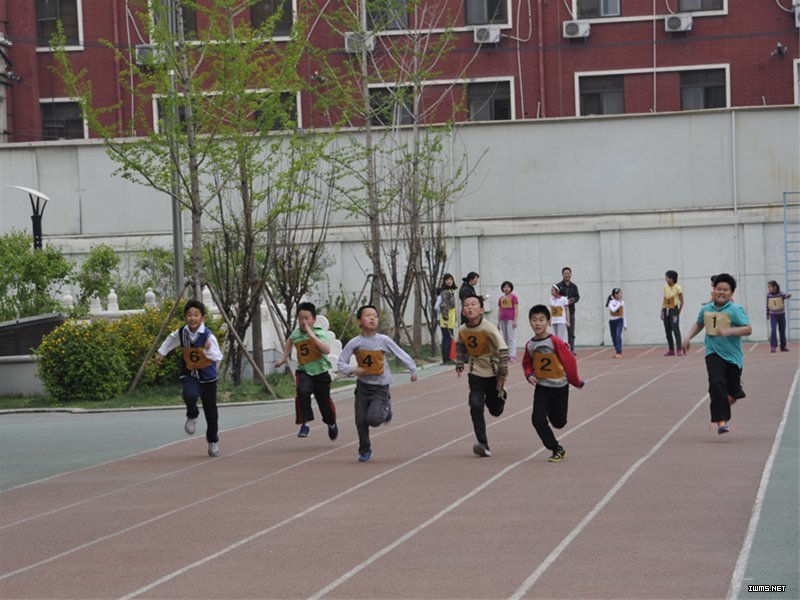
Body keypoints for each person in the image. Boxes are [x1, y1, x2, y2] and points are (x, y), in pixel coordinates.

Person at [337, 305, 418, 462]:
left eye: (375, 315)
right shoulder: (355, 343)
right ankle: (364, 450)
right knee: (360, 421)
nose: (372, 318)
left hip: (380, 388)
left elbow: (399, 353)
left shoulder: (383, 340)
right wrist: (353, 369)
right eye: (368, 315)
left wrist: (412, 369)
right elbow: (340, 363)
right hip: (362, 387)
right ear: (358, 321)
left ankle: (385, 408)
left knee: (373, 420)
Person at [682, 273, 751, 435]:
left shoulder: (735, 309)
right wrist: (688, 337)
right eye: (718, 289)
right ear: (714, 290)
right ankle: (721, 421)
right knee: (715, 382)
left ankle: (734, 392)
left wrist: (728, 330)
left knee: (732, 391)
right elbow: (699, 324)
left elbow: (748, 329)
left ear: (731, 293)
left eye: (725, 290)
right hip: (713, 353)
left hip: (733, 357)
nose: (721, 292)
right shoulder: (706, 309)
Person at [155, 299, 224, 457]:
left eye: (196, 315)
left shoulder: (208, 336)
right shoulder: (182, 333)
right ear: (185, 317)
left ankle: (212, 441)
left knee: (211, 413)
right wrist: (161, 353)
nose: (192, 318)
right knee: (189, 394)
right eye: (189, 315)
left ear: (202, 317)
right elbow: (170, 340)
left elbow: (218, 356)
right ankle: (192, 414)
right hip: (189, 373)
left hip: (208, 378)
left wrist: (206, 350)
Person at [522, 305, 584, 462]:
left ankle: (553, 413)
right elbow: (527, 363)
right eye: (534, 320)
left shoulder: (555, 342)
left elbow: (570, 361)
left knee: (559, 422)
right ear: (530, 322)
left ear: (548, 322)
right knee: (537, 419)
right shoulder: (530, 345)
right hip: (542, 387)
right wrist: (529, 375)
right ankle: (556, 448)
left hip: (560, 387)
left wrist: (575, 381)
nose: (537, 323)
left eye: (541, 320)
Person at [275, 302, 338, 440]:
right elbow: (289, 341)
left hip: (320, 373)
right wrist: (284, 358)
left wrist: (312, 336)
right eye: (300, 318)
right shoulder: (296, 334)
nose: (303, 322)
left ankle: (331, 423)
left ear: (314, 319)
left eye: (306, 318)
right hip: (304, 371)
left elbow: (327, 350)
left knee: (324, 403)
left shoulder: (319, 333)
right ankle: (305, 423)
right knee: (302, 392)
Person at [455, 294, 508, 458]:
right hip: (475, 372)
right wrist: (459, 363)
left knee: (496, 410)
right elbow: (460, 345)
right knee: (475, 405)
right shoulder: (463, 330)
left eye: (473, 304)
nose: (469, 307)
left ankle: (502, 395)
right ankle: (483, 444)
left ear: (481, 310)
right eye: (466, 305)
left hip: (492, 372)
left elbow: (503, 348)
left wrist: (502, 371)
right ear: (463, 311)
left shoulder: (488, 327)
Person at [661, 270, 684, 356]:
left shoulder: (678, 288)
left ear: (671, 278)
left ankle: (679, 349)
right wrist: (662, 311)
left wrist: (679, 311)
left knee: (675, 329)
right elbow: (664, 299)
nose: (666, 279)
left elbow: (682, 300)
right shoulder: (665, 287)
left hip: (674, 310)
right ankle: (671, 349)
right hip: (666, 309)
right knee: (667, 330)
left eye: (667, 277)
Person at [557, 267, 580, 352]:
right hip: (560, 313)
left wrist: (572, 300)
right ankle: (562, 350)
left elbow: (577, 297)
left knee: (571, 332)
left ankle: (571, 350)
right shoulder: (558, 286)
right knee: (560, 333)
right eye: (565, 273)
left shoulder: (574, 286)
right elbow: (555, 296)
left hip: (571, 312)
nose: (567, 275)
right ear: (562, 275)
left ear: (571, 274)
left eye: (568, 273)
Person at [437, 273, 458, 364]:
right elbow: (444, 305)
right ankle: (447, 359)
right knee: (447, 338)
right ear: (444, 281)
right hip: (446, 318)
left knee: (448, 338)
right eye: (447, 280)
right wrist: (445, 318)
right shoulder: (445, 291)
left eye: (451, 279)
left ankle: (448, 358)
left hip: (450, 318)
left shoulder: (451, 291)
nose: (449, 281)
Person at [766, 280, 792, 353]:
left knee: (782, 330)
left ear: (774, 287)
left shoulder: (781, 294)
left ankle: (783, 346)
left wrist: (789, 295)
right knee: (773, 330)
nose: (768, 288)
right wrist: (767, 314)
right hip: (773, 315)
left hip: (781, 315)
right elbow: (767, 305)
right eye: (768, 287)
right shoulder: (769, 295)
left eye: (770, 287)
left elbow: (786, 296)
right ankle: (773, 346)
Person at [497, 280, 519, 362]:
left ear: (511, 288)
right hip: (502, 319)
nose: (506, 288)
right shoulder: (501, 298)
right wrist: (498, 321)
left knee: (511, 338)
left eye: (508, 287)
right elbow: (499, 310)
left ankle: (512, 355)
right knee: (505, 338)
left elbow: (516, 309)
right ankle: (506, 354)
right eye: (504, 287)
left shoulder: (513, 297)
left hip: (510, 319)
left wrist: (515, 320)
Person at [606, 287, 627, 358]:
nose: (620, 295)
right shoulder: (611, 302)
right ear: (615, 295)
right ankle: (617, 350)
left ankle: (619, 352)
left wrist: (625, 324)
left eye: (620, 293)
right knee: (613, 336)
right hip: (612, 321)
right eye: (618, 293)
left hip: (619, 320)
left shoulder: (622, 302)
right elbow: (613, 309)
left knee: (618, 335)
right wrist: (619, 304)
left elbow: (624, 313)